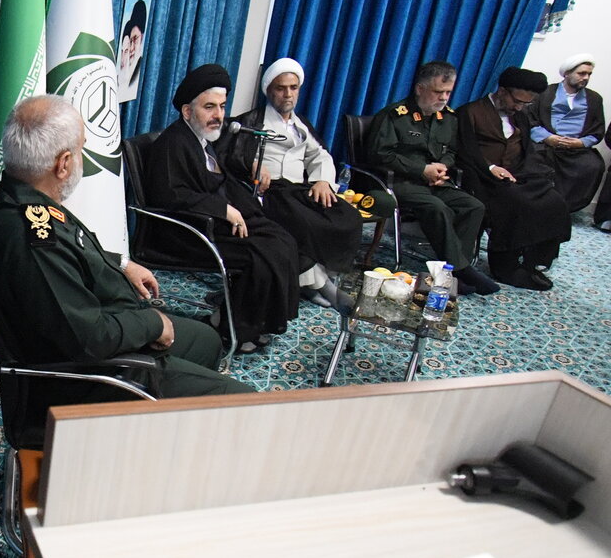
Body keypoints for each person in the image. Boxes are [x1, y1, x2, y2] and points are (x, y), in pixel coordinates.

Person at [0, 94, 250, 405]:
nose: (82, 158)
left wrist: (121, 265)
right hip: (101, 373)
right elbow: (88, 339)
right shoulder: (33, 237)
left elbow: (72, 252)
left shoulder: (25, 199)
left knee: (207, 341)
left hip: (111, 320)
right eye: (81, 150)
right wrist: (152, 323)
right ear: (63, 164)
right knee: (241, 402)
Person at [144, 64, 301, 354]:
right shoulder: (172, 144)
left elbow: (218, 181)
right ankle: (234, 330)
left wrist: (245, 209)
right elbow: (170, 197)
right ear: (187, 111)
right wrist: (224, 210)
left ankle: (250, 322)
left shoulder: (202, 139)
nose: (218, 115)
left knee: (281, 239)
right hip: (184, 234)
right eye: (209, 107)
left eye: (222, 106)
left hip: (209, 223)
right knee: (261, 255)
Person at [225, 57, 365, 309]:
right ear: (269, 91)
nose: (288, 94)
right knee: (304, 222)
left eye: (293, 88)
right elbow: (232, 156)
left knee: (347, 217)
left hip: (300, 190)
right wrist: (252, 164)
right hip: (271, 192)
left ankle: (320, 278)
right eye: (280, 88)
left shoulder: (300, 125)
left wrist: (322, 181)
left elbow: (319, 155)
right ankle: (319, 285)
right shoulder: (252, 121)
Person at [365, 60, 498, 294]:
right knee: (437, 207)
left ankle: (452, 273)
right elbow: (379, 155)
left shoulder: (448, 118)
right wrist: (421, 170)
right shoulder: (395, 116)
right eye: (438, 92)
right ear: (420, 89)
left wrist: (442, 168)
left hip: (435, 181)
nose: (444, 98)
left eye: (448, 92)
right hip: (400, 182)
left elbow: (452, 152)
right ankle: (462, 271)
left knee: (473, 206)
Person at [456, 67, 570, 290]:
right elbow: (463, 151)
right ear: (502, 91)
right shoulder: (470, 112)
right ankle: (506, 266)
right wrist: (490, 167)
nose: (519, 107)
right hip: (483, 178)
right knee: (518, 201)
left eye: (526, 104)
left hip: (517, 175)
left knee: (554, 200)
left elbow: (527, 151)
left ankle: (531, 261)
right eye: (517, 101)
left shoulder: (521, 117)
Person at [530, 55, 606, 213]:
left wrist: (581, 142)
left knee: (593, 165)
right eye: (581, 73)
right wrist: (548, 137)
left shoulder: (594, 98)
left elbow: (598, 130)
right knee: (532, 160)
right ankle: (536, 206)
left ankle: (565, 209)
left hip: (576, 149)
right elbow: (529, 120)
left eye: (589, 74)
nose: (586, 78)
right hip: (545, 144)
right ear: (566, 73)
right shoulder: (544, 93)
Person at [117, 0, 147, 98]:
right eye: (130, 42)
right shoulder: (123, 73)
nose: (132, 48)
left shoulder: (140, 69)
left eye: (135, 39)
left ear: (142, 37)